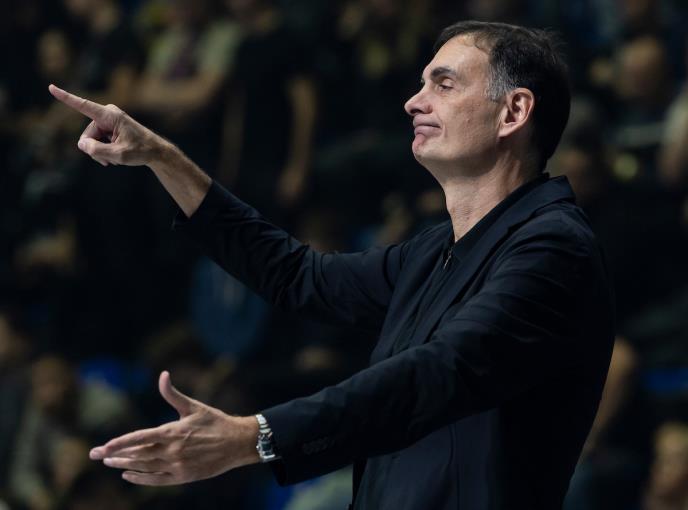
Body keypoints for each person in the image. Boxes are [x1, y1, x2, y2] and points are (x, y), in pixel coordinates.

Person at [48, 20, 615, 510]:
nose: (413, 102)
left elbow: (438, 372)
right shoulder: (435, 250)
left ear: (513, 111)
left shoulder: (553, 248)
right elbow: (298, 276)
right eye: (422, 84)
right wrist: (162, 158)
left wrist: (255, 436)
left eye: (443, 84)